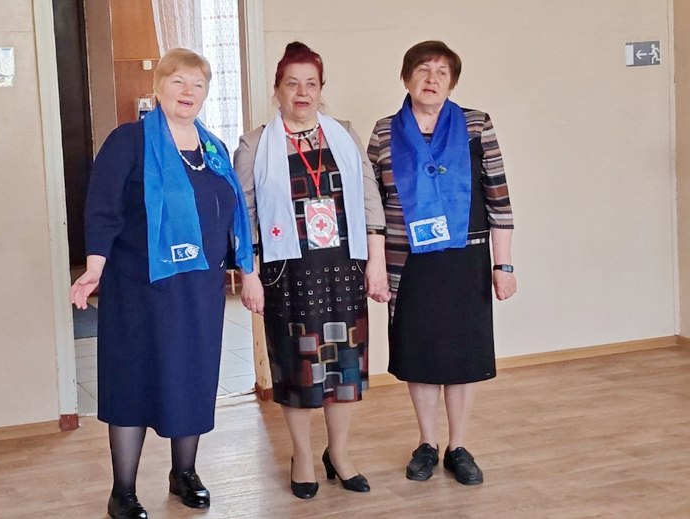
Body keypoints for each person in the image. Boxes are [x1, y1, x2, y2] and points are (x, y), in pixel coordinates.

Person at [69, 48, 253, 517]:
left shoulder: (212, 149)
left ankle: (184, 472)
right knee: (132, 381)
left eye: (198, 84)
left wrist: (246, 270)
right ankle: (123, 491)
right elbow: (103, 208)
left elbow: (232, 213)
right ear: (159, 88)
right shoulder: (128, 141)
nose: (188, 92)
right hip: (139, 287)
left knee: (192, 377)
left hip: (199, 290)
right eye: (178, 81)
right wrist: (94, 267)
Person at [234, 42, 389, 499]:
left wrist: (376, 262)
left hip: (342, 268)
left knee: (344, 369)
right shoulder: (255, 144)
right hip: (289, 273)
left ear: (321, 89)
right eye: (292, 83)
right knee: (297, 369)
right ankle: (301, 455)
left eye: (311, 84)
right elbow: (244, 217)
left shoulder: (344, 134)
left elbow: (370, 201)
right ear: (277, 89)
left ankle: (338, 453)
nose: (302, 92)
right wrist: (248, 275)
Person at [367, 40, 516, 486]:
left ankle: (459, 446)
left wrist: (504, 265)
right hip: (409, 259)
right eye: (423, 70)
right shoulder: (384, 132)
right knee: (420, 352)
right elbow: (372, 207)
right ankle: (427, 443)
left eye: (442, 73)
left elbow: (499, 198)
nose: (431, 79)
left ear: (452, 82)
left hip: (466, 256)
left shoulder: (476, 124)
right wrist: (375, 265)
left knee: (463, 353)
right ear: (406, 77)